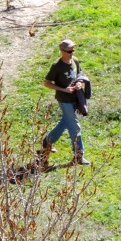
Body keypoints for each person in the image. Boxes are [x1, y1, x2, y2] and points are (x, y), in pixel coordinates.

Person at [39, 38, 90, 169]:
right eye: (69, 51)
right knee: (75, 127)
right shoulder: (57, 66)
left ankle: (46, 143)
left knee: (64, 124)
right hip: (64, 100)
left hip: (75, 99)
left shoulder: (75, 60)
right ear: (62, 51)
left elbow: (80, 73)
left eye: (73, 50)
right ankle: (79, 155)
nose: (71, 52)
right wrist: (64, 89)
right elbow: (47, 83)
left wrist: (79, 82)